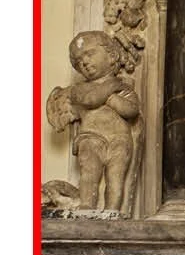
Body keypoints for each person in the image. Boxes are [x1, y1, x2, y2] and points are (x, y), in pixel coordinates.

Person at [44, 31, 140, 213]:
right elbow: (91, 100)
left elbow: (132, 109)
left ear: (111, 56)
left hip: (119, 138)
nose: (85, 62)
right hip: (91, 137)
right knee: (89, 173)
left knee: (116, 177)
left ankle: (112, 210)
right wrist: (112, 87)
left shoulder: (124, 89)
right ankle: (87, 207)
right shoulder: (79, 89)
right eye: (78, 61)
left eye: (89, 54)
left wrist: (113, 100)